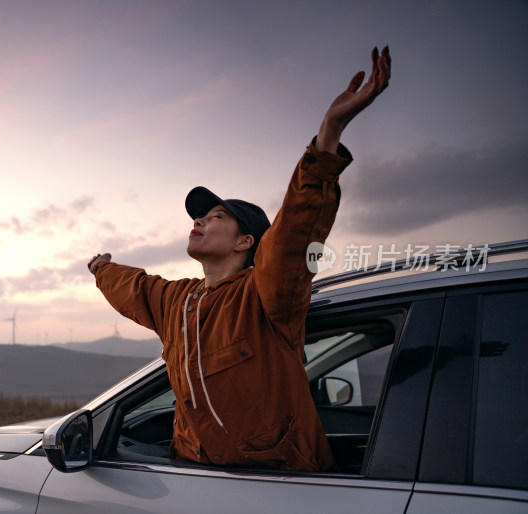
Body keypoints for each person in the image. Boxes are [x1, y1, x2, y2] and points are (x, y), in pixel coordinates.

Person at [88, 47, 391, 471]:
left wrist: (329, 132)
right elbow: (134, 288)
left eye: (215, 217)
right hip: (190, 476)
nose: (199, 221)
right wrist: (101, 268)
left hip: (274, 487)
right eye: (198, 216)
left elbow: (293, 237)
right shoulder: (178, 301)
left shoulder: (266, 296)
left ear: (244, 241)